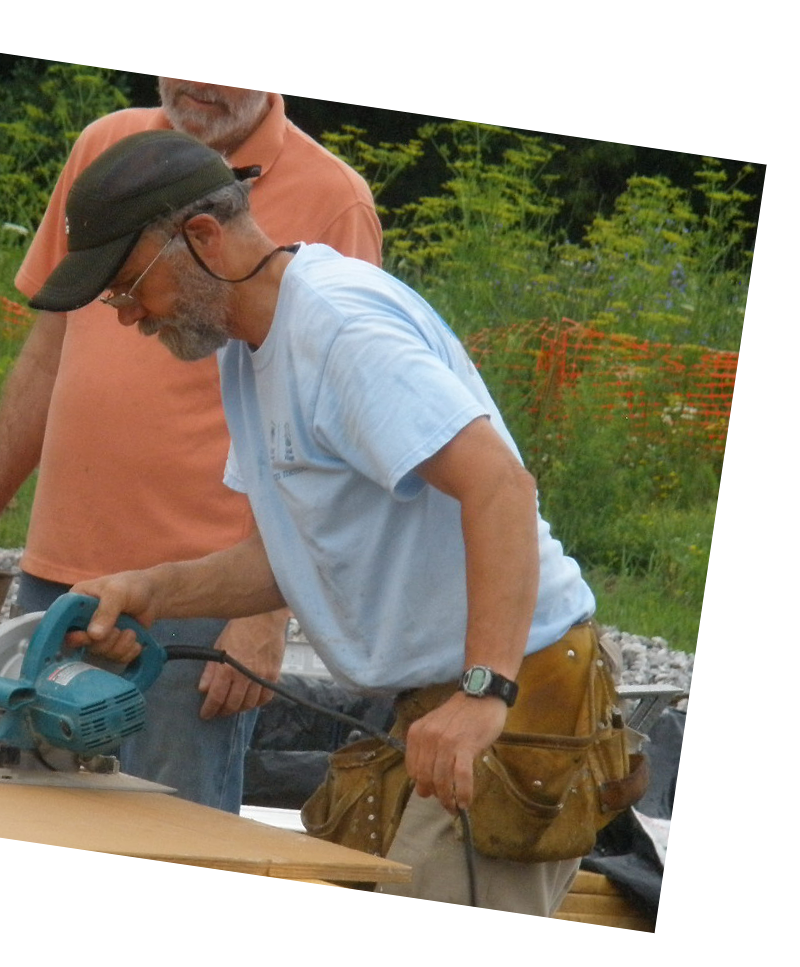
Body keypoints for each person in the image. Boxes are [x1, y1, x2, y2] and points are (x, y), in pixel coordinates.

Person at [34, 129, 603, 914]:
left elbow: (501, 486)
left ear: (200, 239)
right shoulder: (250, 347)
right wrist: (152, 588)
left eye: (130, 288)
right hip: (447, 696)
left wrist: (483, 692)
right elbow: (289, 557)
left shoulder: (339, 331)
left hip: (515, 689)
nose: (130, 317)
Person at [0, 80, 382, 814]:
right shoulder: (108, 151)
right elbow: (47, 351)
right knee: (25, 815)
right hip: (61, 575)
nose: (198, 83)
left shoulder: (336, 199)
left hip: (201, 600)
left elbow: (327, 425)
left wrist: (266, 614)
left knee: (171, 831)